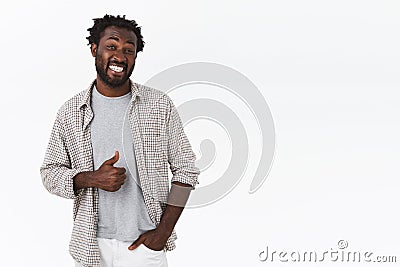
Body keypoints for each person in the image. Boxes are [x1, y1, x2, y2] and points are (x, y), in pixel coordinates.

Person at [40, 14, 199, 267]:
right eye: (111, 46)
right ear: (95, 49)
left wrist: (163, 232)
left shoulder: (159, 106)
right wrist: (91, 178)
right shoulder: (70, 112)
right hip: (90, 246)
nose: (120, 56)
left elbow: (186, 169)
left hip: (145, 247)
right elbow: (49, 173)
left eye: (129, 50)